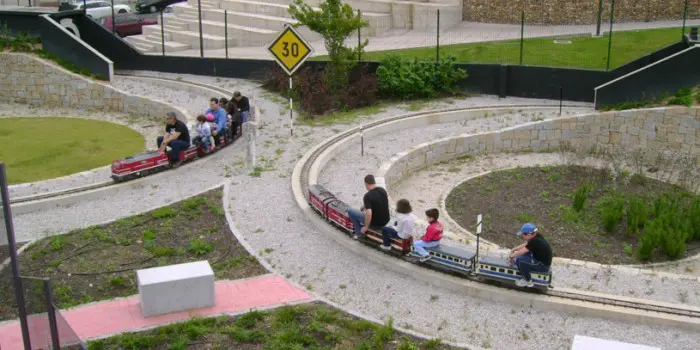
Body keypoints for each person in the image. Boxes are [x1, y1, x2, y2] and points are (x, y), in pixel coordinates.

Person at [508, 223, 552, 288]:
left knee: (520, 260)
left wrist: (511, 256)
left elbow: (523, 251)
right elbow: (527, 245)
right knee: (522, 255)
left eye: (523, 234)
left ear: (529, 234)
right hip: (541, 260)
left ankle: (528, 281)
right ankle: (527, 271)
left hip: (542, 266)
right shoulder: (537, 236)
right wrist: (514, 249)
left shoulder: (535, 241)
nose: (522, 236)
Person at [348, 174, 390, 241]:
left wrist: (366, 227)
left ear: (366, 184)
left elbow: (369, 213)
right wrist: (365, 206)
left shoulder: (367, 196)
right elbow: (378, 201)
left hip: (375, 224)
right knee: (364, 211)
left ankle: (359, 233)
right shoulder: (382, 190)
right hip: (385, 221)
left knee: (350, 211)